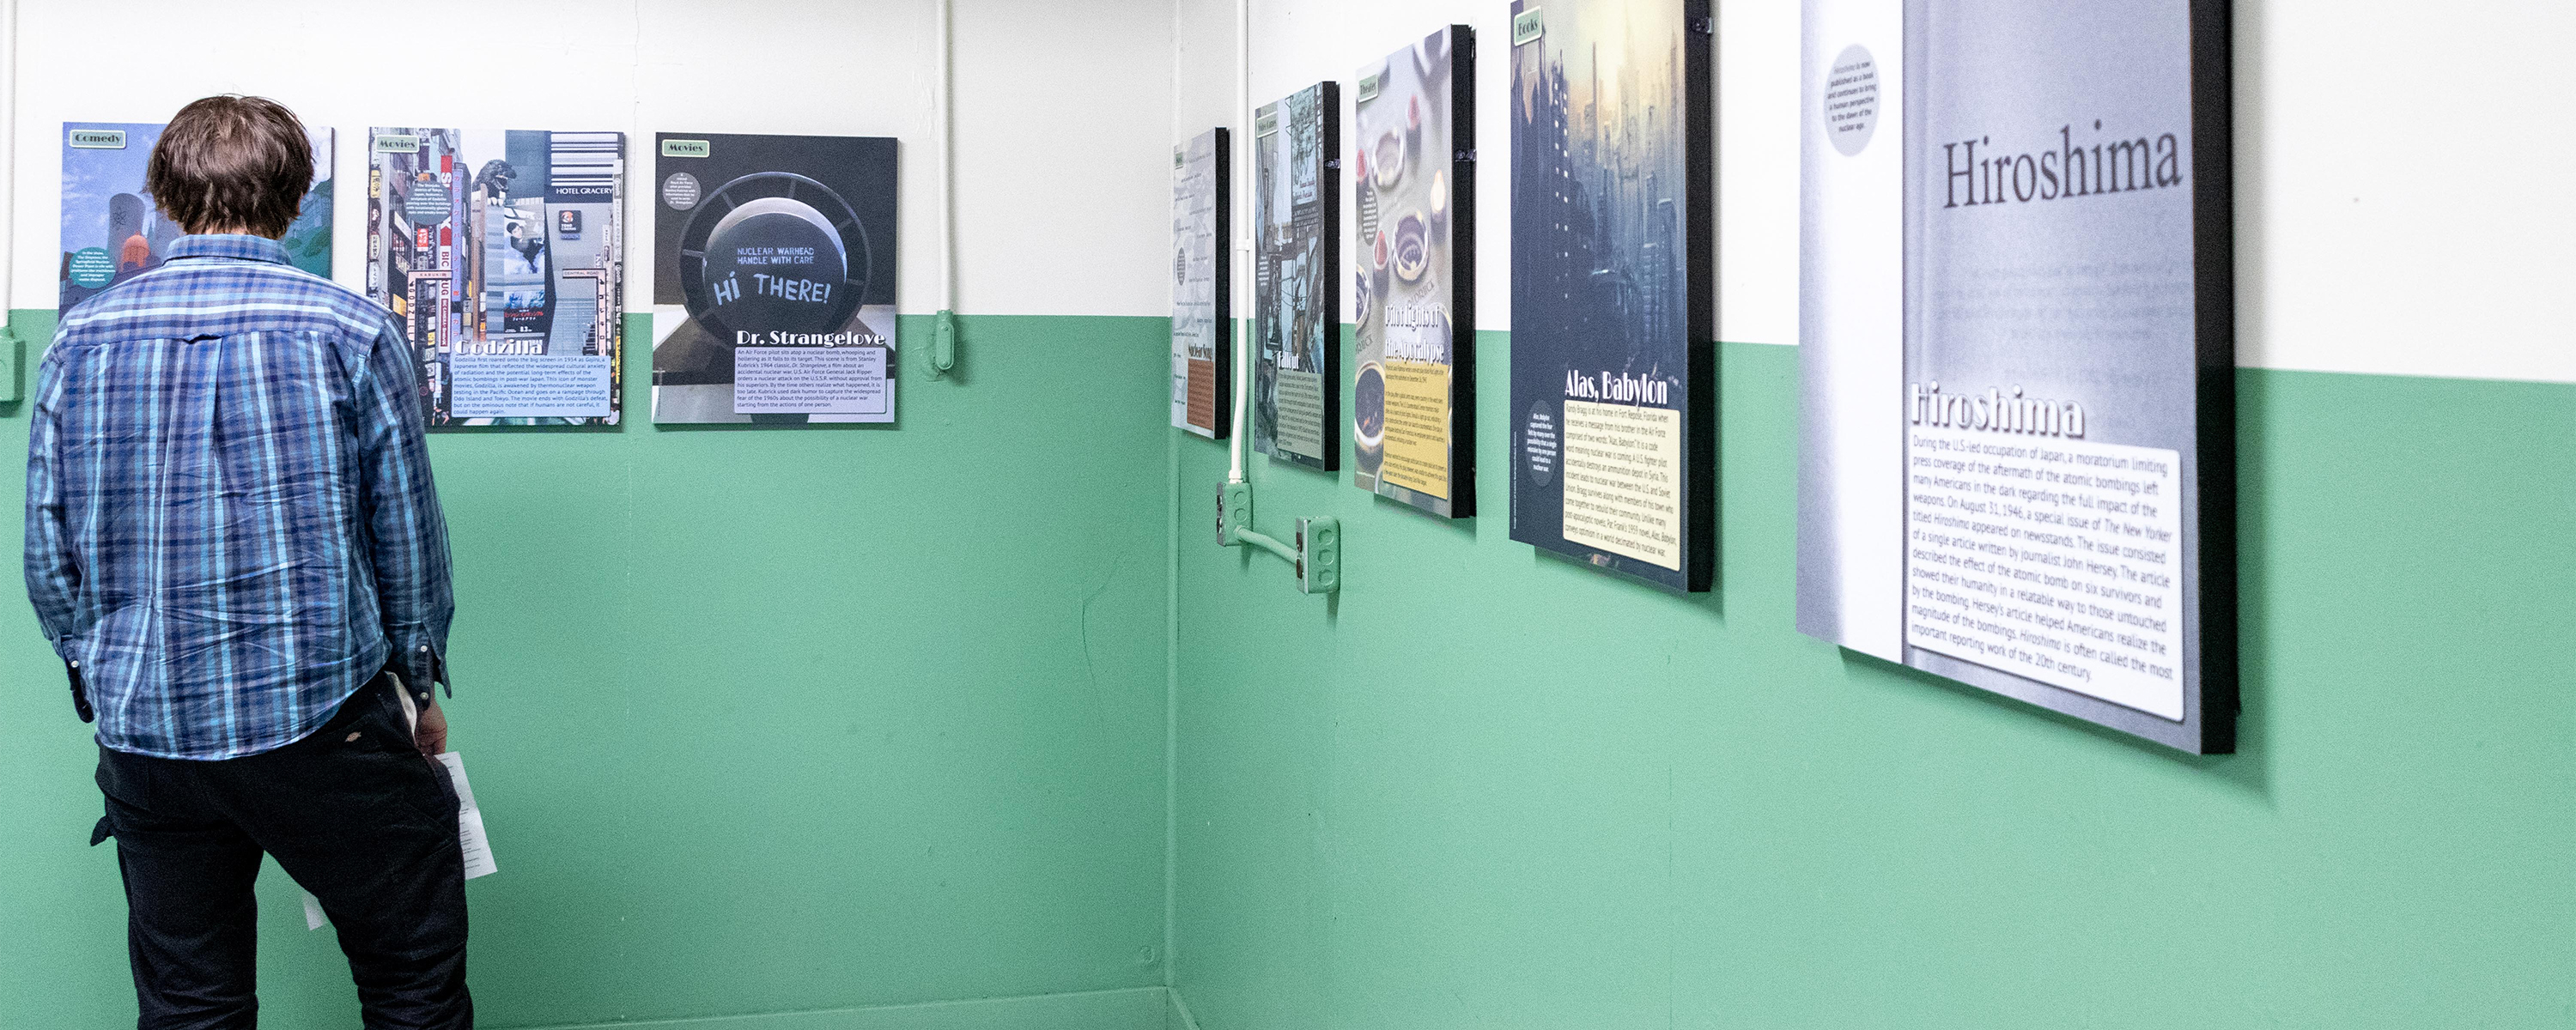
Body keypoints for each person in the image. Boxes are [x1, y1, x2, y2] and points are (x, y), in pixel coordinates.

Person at [22, 95, 469, 1029]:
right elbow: (406, 538)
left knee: (190, 1003)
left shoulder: (80, 341)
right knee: (411, 982)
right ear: (297, 195)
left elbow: (48, 554)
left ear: (166, 196)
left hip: (149, 734)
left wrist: (99, 673)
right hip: (327, 723)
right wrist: (419, 681)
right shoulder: (350, 330)